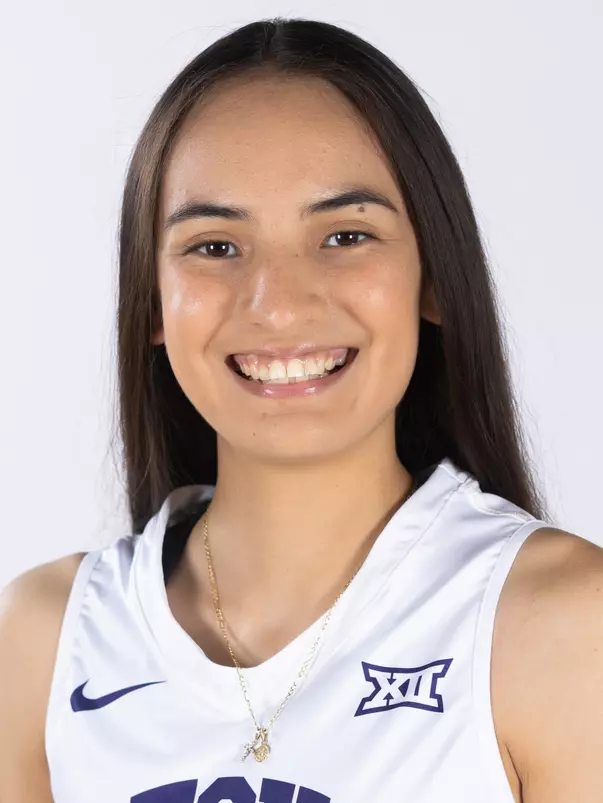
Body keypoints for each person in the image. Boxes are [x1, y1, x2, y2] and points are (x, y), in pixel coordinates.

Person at [1, 16, 601, 803]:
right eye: (215, 246)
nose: (278, 304)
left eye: (344, 235)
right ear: (151, 301)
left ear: (433, 277)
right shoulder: (45, 643)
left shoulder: (559, 626)